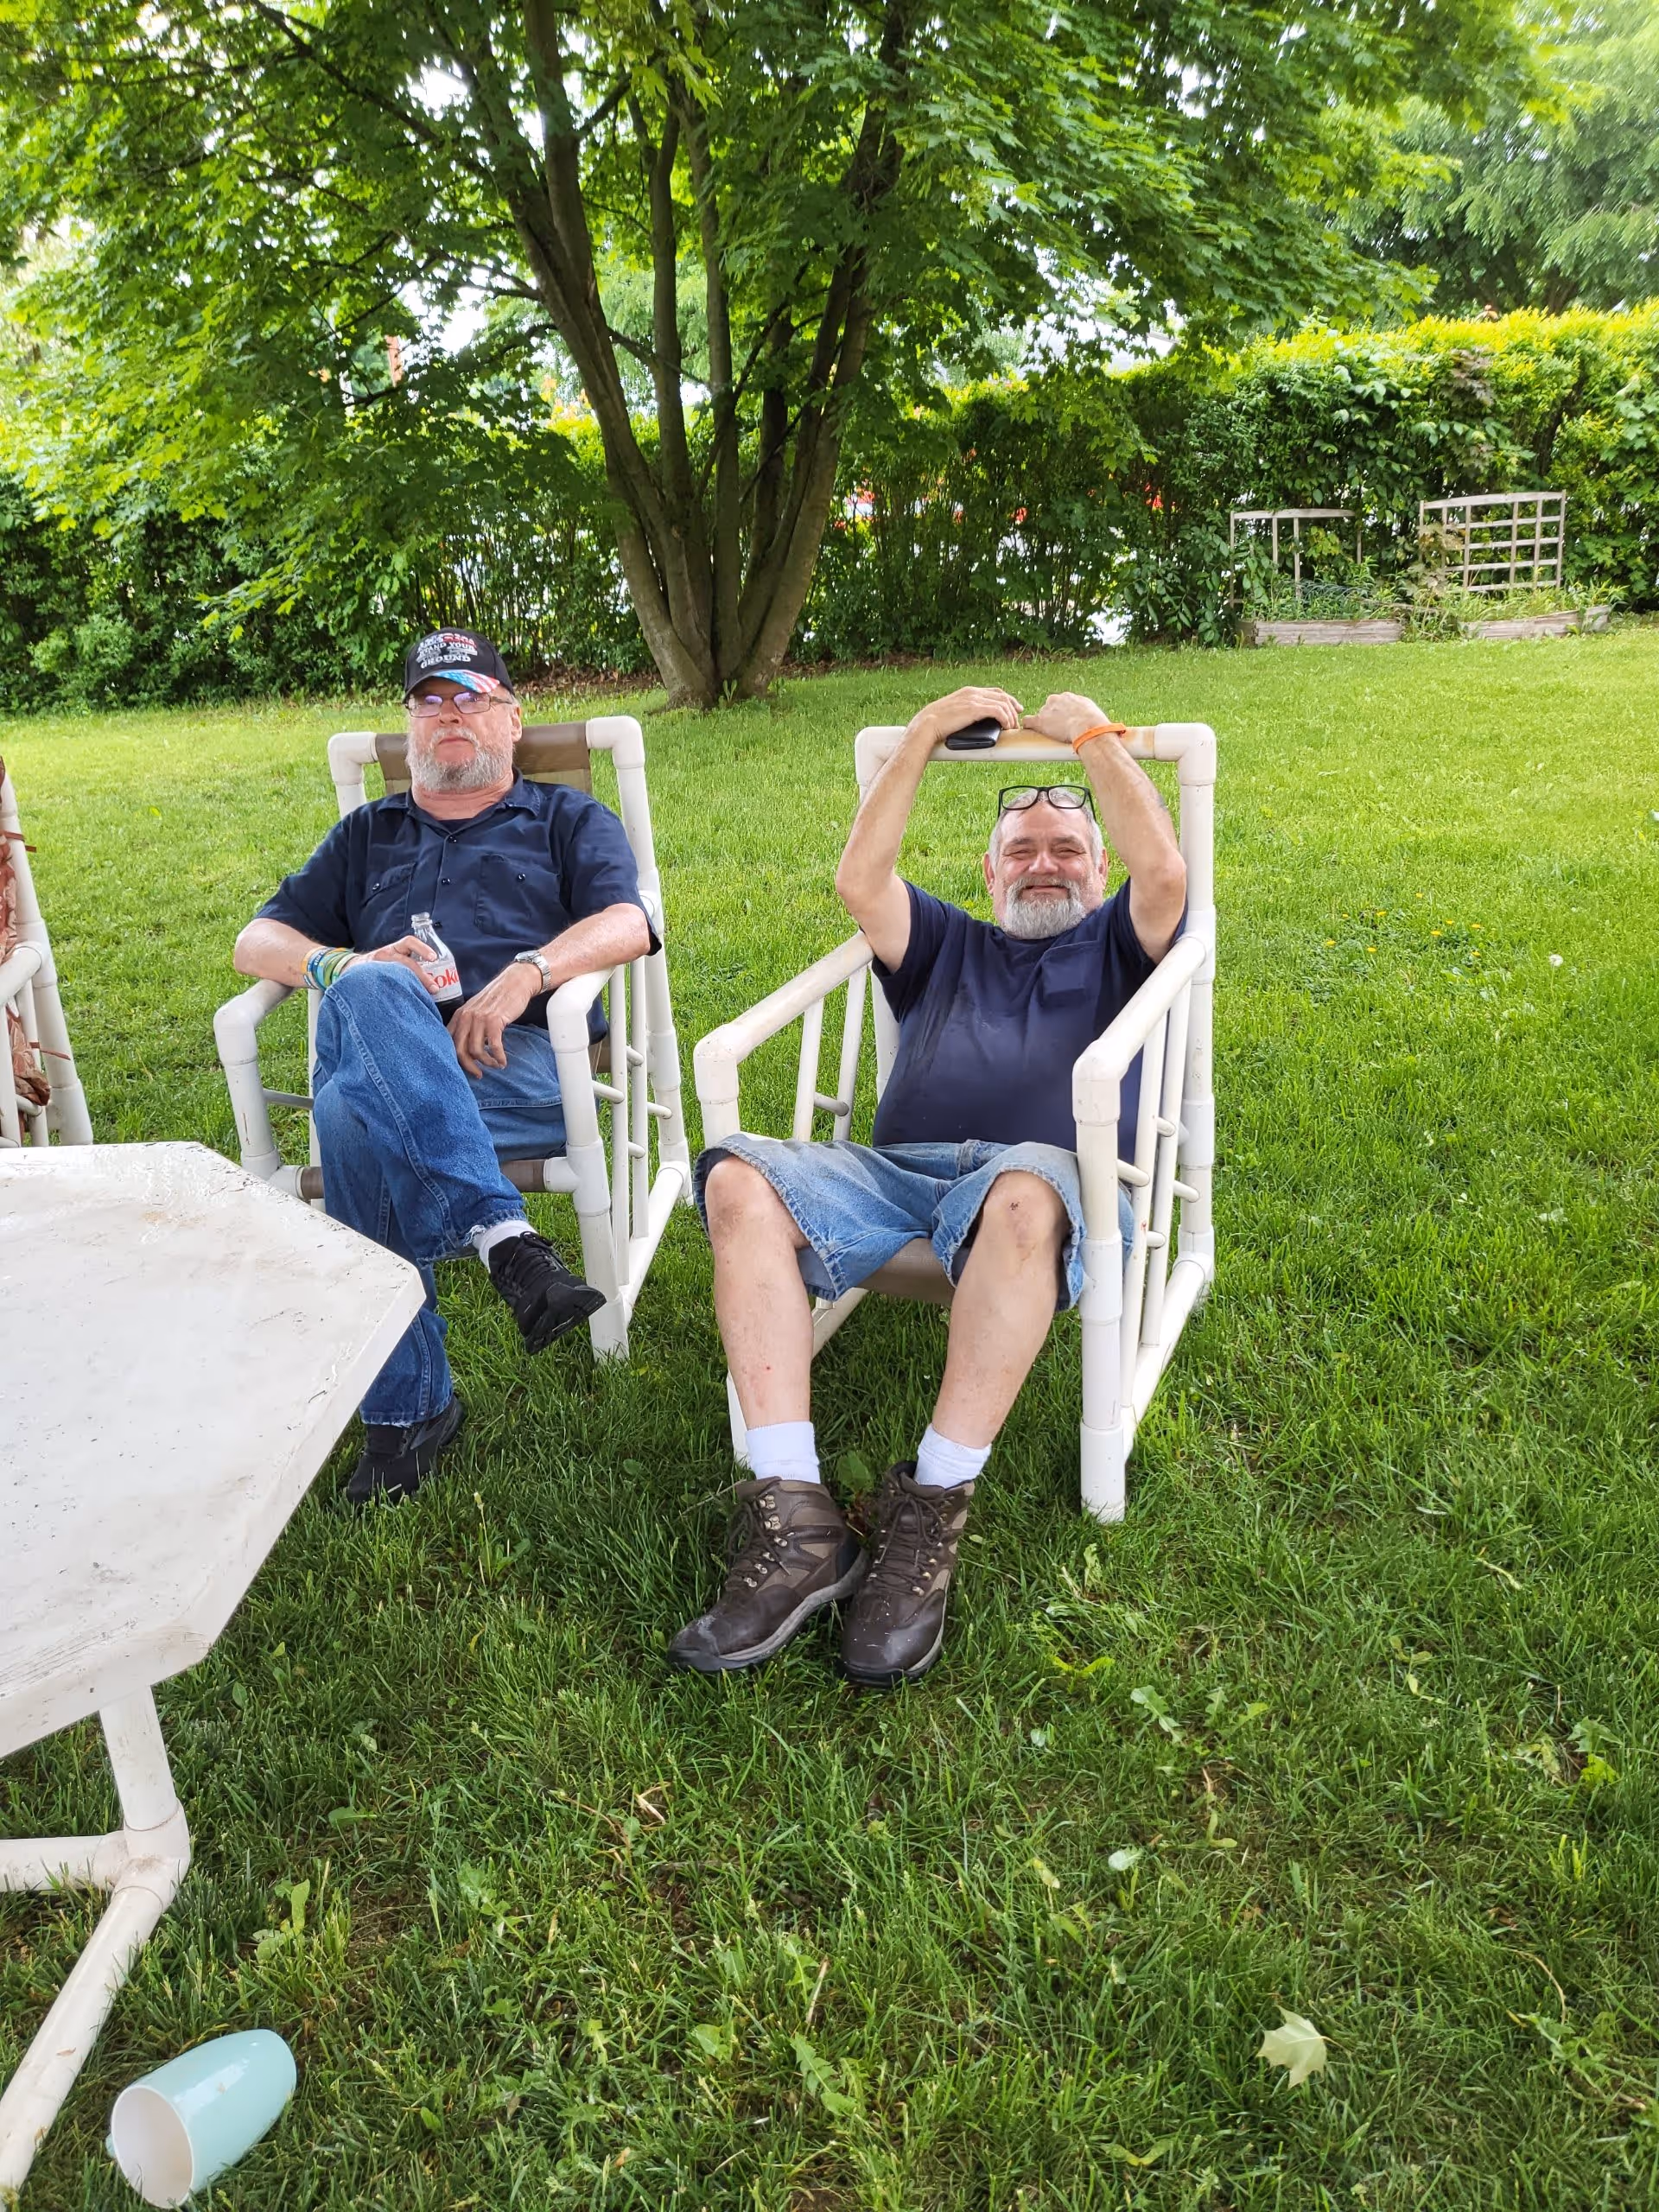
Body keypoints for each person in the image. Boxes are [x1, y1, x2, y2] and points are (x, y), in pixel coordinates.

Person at [671, 685, 1187, 1688]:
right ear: (989, 869)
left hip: (1045, 1185)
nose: (1045, 863)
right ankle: (796, 1510)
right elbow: (861, 879)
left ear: (1098, 867)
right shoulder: (947, 942)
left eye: (1068, 849)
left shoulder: (1120, 942)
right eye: (1024, 850)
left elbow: (1166, 868)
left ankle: (932, 1509)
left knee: (1026, 1196)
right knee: (737, 1177)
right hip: (899, 1176)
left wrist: (1092, 735)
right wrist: (919, 735)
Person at [232, 627, 654, 1505]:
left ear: (511, 717)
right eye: (431, 699)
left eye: (471, 696)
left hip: (526, 1060)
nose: (450, 713)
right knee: (370, 998)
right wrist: (339, 966)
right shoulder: (367, 833)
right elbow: (256, 940)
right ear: (410, 726)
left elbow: (631, 924)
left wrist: (527, 973)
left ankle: (408, 1411)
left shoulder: (565, 817)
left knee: (349, 1111)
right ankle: (507, 1241)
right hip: (399, 1056)